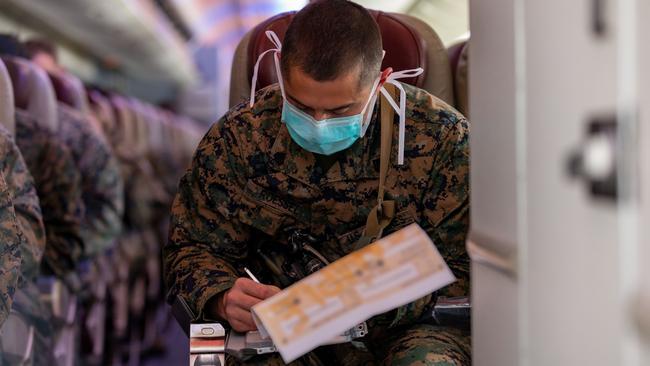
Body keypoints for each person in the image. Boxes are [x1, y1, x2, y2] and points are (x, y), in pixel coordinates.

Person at [165, 1, 470, 364]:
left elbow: (470, 270)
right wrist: (221, 295)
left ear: (382, 79)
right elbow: (191, 247)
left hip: (406, 329)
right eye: (301, 105)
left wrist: (368, 300)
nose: (319, 122)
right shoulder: (238, 138)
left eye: (340, 110)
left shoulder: (442, 139)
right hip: (277, 332)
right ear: (280, 72)